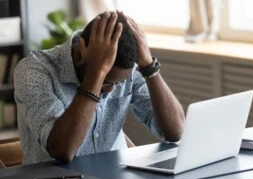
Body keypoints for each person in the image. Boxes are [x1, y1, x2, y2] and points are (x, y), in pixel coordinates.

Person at [14, 11, 185, 165]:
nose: (110, 91)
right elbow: (62, 150)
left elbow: (176, 132)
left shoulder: (127, 68)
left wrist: (149, 68)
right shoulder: (33, 70)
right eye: (106, 83)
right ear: (80, 53)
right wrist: (96, 75)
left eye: (115, 83)